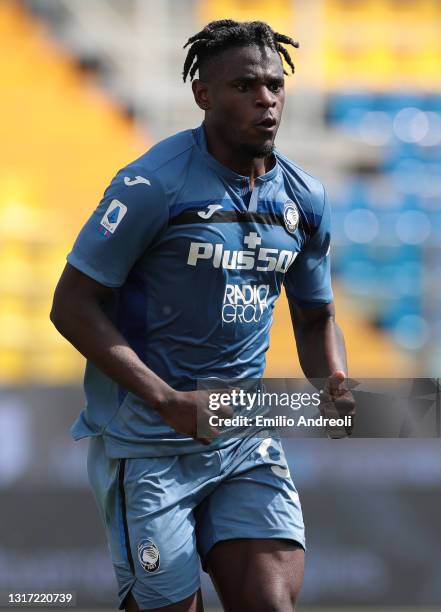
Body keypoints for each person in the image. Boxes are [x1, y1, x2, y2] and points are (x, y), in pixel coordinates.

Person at [51, 19, 354, 612]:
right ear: (203, 94)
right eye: (245, 86)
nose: (265, 100)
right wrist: (166, 400)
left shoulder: (303, 198)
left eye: (274, 85)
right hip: (148, 440)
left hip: (244, 434)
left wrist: (332, 380)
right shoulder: (152, 185)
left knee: (270, 603)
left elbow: (315, 316)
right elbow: (71, 305)